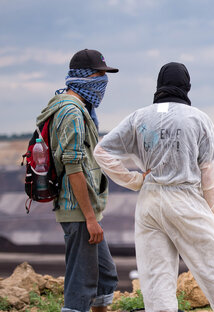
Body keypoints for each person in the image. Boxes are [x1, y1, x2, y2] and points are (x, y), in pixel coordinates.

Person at [94, 62, 214, 312]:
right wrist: (210, 214)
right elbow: (212, 172)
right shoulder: (198, 118)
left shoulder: (138, 117)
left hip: (149, 203)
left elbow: (101, 151)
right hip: (185, 198)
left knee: (156, 277)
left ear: (159, 86)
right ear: (186, 86)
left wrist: (135, 180)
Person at [36, 49, 119, 312]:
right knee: (81, 286)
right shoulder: (71, 113)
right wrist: (90, 218)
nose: (103, 82)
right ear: (85, 77)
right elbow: (73, 168)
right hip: (78, 209)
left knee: (105, 277)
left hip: (85, 209)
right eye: (99, 75)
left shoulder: (77, 107)